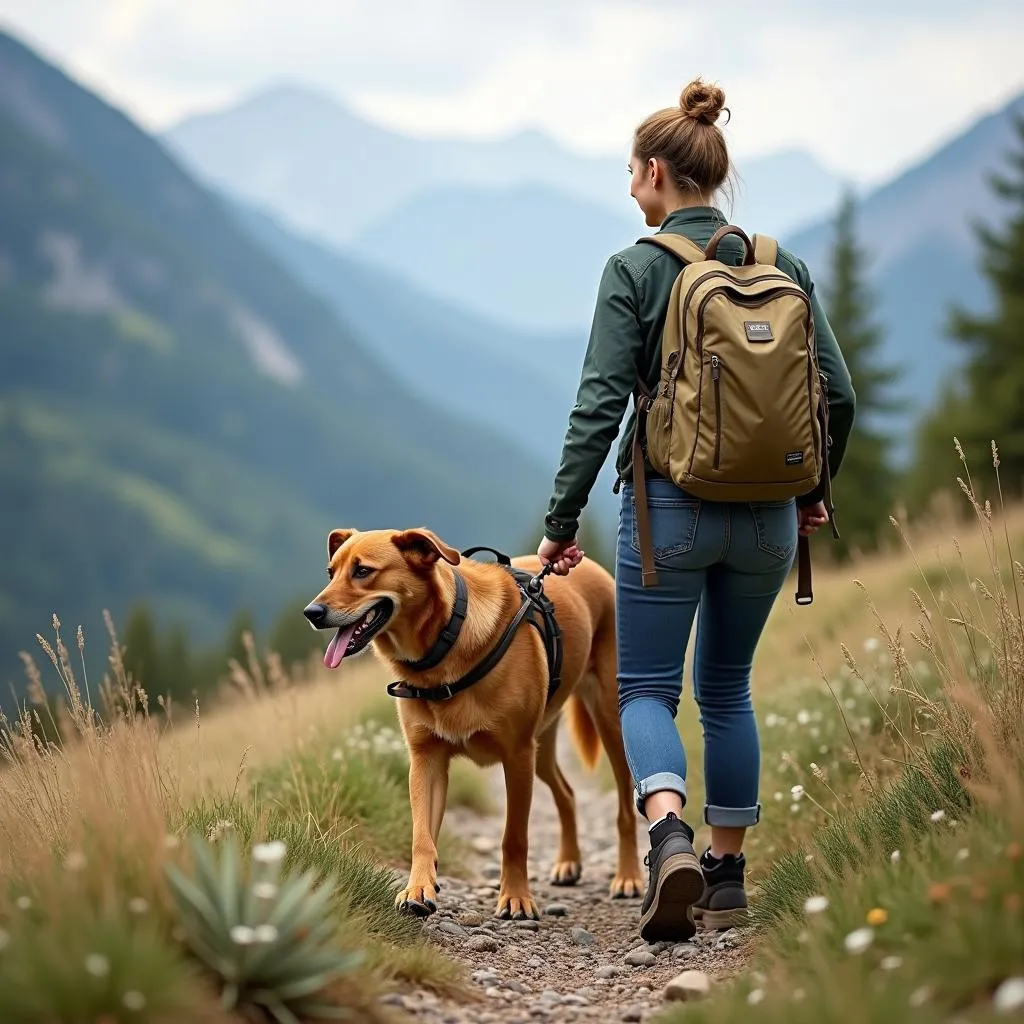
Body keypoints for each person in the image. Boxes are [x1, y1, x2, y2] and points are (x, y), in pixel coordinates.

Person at [536, 78, 856, 941]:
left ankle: (667, 833)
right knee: (727, 689)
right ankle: (726, 874)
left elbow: (599, 405)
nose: (629, 189)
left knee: (645, 686)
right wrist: (814, 492)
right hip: (768, 517)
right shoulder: (779, 264)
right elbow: (839, 394)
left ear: (653, 173)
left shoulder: (634, 269)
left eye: (630, 174)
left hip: (666, 511)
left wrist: (561, 525)